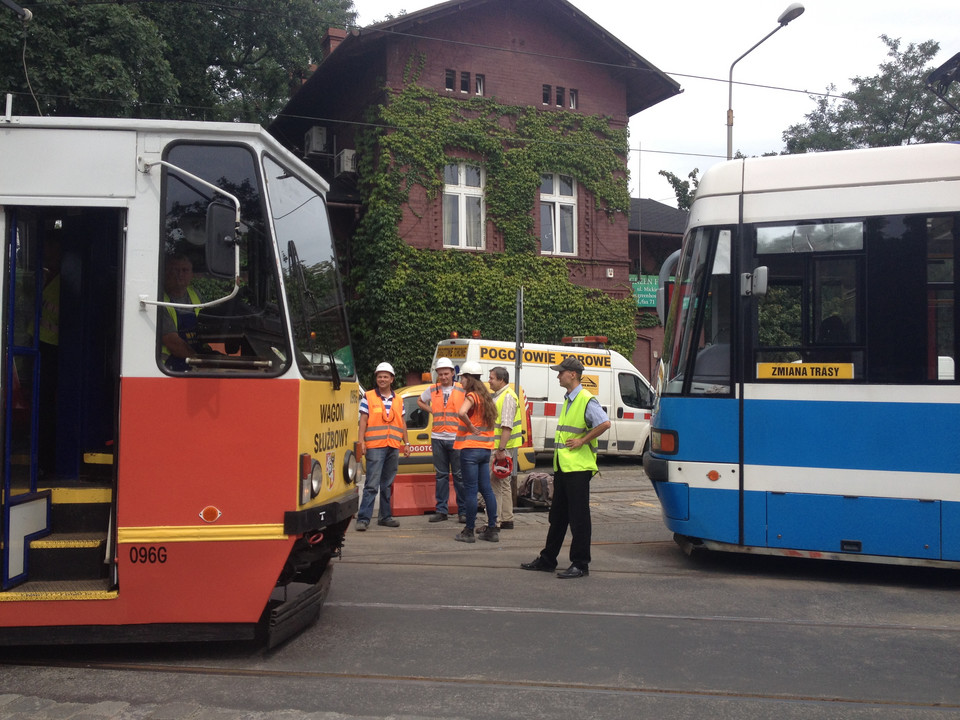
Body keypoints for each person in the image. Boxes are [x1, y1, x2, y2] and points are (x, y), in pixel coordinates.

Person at [521, 356, 610, 578]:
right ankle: (548, 559)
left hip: (578, 469)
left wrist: (582, 440)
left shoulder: (586, 399)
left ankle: (580, 564)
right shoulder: (570, 399)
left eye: (561, 372)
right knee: (558, 516)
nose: (558, 375)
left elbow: (605, 423)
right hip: (564, 468)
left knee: (579, 519)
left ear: (572, 374)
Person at [356, 362, 410, 531]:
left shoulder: (399, 399)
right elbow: (363, 420)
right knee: (372, 484)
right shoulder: (369, 396)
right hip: (375, 446)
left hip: (393, 445)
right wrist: (361, 442)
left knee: (387, 484)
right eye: (380, 376)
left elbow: (402, 423)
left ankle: (385, 517)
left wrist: (406, 443)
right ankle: (363, 518)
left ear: (392, 379)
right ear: (376, 378)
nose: (382, 379)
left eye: (386, 376)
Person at [453, 361, 498, 543]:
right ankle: (492, 529)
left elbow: (462, 412)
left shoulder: (471, 396)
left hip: (470, 449)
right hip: (485, 450)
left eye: (462, 378)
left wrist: (470, 427)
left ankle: (469, 531)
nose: (460, 382)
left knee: (470, 491)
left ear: (468, 378)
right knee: (486, 490)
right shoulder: (486, 397)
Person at [417, 356, 466, 523]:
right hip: (438, 437)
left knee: (459, 476)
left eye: (446, 373)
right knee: (441, 475)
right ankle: (441, 510)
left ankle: (463, 511)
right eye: (440, 374)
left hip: (456, 437)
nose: (443, 377)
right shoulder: (432, 389)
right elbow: (419, 401)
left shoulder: (461, 389)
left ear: (453, 373)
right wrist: (431, 410)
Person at [488, 366, 522, 530]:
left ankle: (495, 521)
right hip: (503, 447)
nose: (489, 381)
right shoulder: (501, 395)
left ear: (501, 380)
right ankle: (507, 518)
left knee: (494, 484)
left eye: (492, 378)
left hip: (501, 448)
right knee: (503, 483)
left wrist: (500, 450)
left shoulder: (507, 397)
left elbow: (506, 426)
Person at [160, 253, 203, 372]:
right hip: (168, 368)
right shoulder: (160, 299)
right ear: (166, 272)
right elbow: (173, 343)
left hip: (193, 359)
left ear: (191, 274)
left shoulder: (195, 295)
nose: (180, 275)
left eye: (185, 270)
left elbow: (206, 328)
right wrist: (201, 362)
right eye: (175, 270)